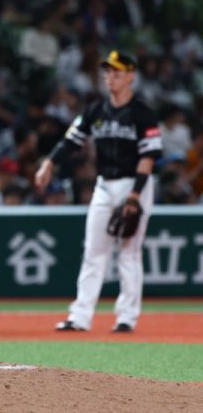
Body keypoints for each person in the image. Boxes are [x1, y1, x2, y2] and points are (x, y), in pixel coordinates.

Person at [35, 50, 161, 333]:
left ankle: (126, 317)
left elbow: (148, 157)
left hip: (134, 183)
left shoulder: (143, 114)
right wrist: (49, 164)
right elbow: (71, 141)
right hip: (104, 185)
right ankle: (80, 317)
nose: (110, 77)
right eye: (107, 72)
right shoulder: (96, 110)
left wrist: (135, 195)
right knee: (93, 251)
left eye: (117, 72)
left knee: (129, 252)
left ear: (130, 76)